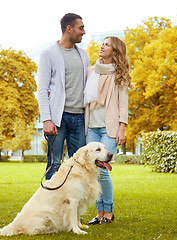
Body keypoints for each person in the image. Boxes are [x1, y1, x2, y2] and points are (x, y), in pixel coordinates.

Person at [84, 36, 131, 224]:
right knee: (94, 171)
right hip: (91, 128)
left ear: (115, 51)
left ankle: (108, 212)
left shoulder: (120, 75)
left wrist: (122, 128)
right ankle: (99, 213)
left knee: (103, 171)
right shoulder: (90, 72)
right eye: (102, 44)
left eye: (107, 45)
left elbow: (123, 105)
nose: (102, 47)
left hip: (109, 128)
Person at [37, 13, 90, 180]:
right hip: (57, 119)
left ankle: (72, 204)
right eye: (81, 28)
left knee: (79, 165)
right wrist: (46, 119)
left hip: (80, 118)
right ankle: (50, 204)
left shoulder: (83, 55)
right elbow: (42, 89)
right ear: (69, 29)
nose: (84, 32)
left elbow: (92, 82)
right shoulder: (49, 54)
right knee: (55, 164)